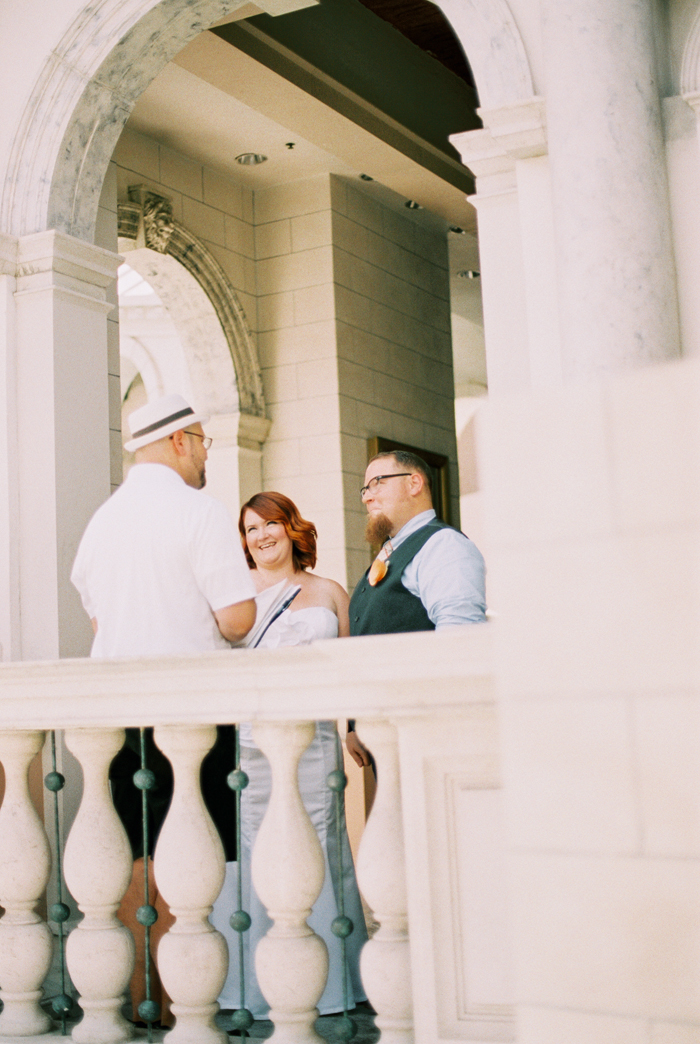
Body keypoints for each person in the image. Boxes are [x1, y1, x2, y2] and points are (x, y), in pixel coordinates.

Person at [71, 393, 256, 1024]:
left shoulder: (102, 522)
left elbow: (99, 617)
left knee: (133, 854)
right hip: (191, 713)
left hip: (117, 712)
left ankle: (134, 1002)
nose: (207, 451)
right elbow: (237, 619)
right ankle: (187, 1012)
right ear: (178, 441)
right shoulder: (199, 513)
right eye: (202, 439)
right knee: (192, 855)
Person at [210, 491, 368, 1020]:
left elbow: (350, 666)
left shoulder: (329, 591)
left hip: (317, 740)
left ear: (291, 527)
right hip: (255, 742)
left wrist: (352, 728)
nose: (260, 536)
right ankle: (257, 986)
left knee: (322, 841)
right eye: (250, 530)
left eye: (269, 524)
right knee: (259, 845)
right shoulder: (237, 596)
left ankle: (329, 983)